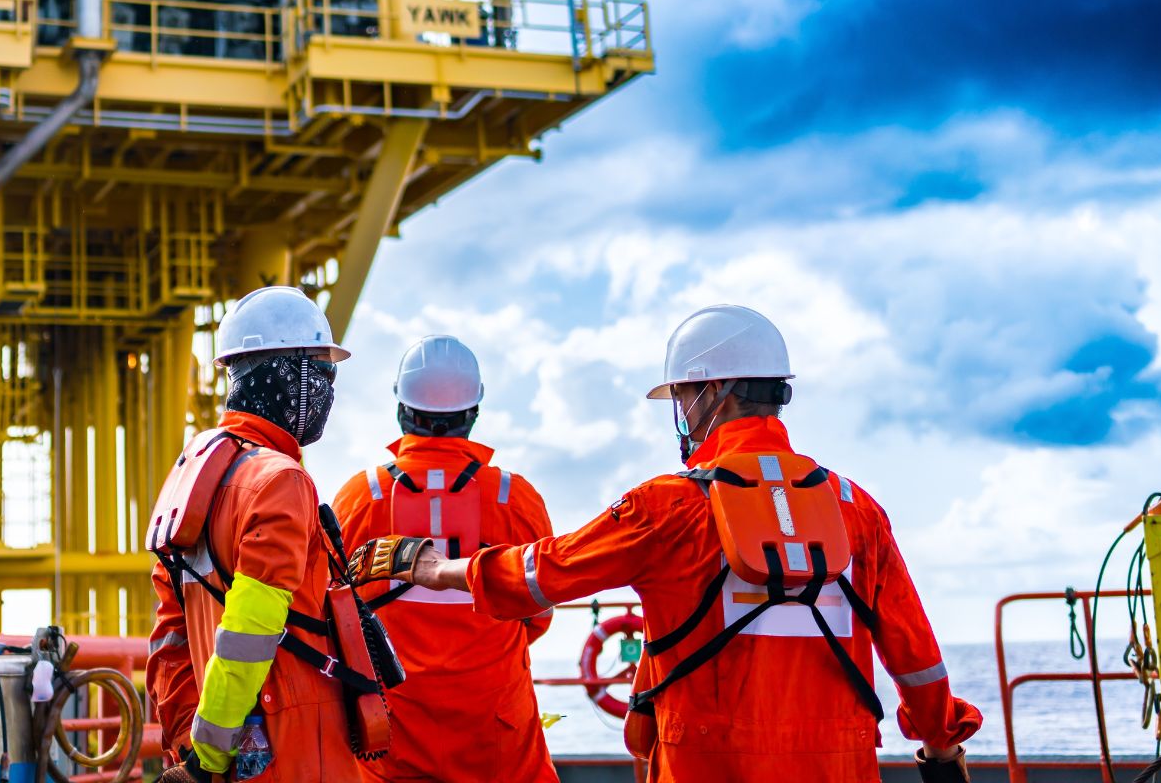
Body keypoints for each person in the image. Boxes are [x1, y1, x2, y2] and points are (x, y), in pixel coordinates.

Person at [353, 305, 984, 783]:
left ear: (714, 393)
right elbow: (915, 655)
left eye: (682, 395)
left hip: (707, 760)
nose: (680, 410)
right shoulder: (857, 509)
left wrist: (435, 568)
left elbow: (544, 573)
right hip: (837, 760)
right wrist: (939, 742)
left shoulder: (670, 506)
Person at [146, 286, 363, 782]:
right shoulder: (279, 480)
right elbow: (250, 631)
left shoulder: (194, 478)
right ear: (284, 374)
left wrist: (191, 751)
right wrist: (211, 755)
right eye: (321, 371)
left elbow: (170, 639)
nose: (327, 388)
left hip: (223, 755)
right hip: (295, 754)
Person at [330, 335, 559, 783]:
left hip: (388, 740)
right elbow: (539, 612)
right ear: (473, 412)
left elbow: (332, 607)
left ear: (401, 408)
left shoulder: (360, 498)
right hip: (497, 737)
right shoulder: (515, 500)